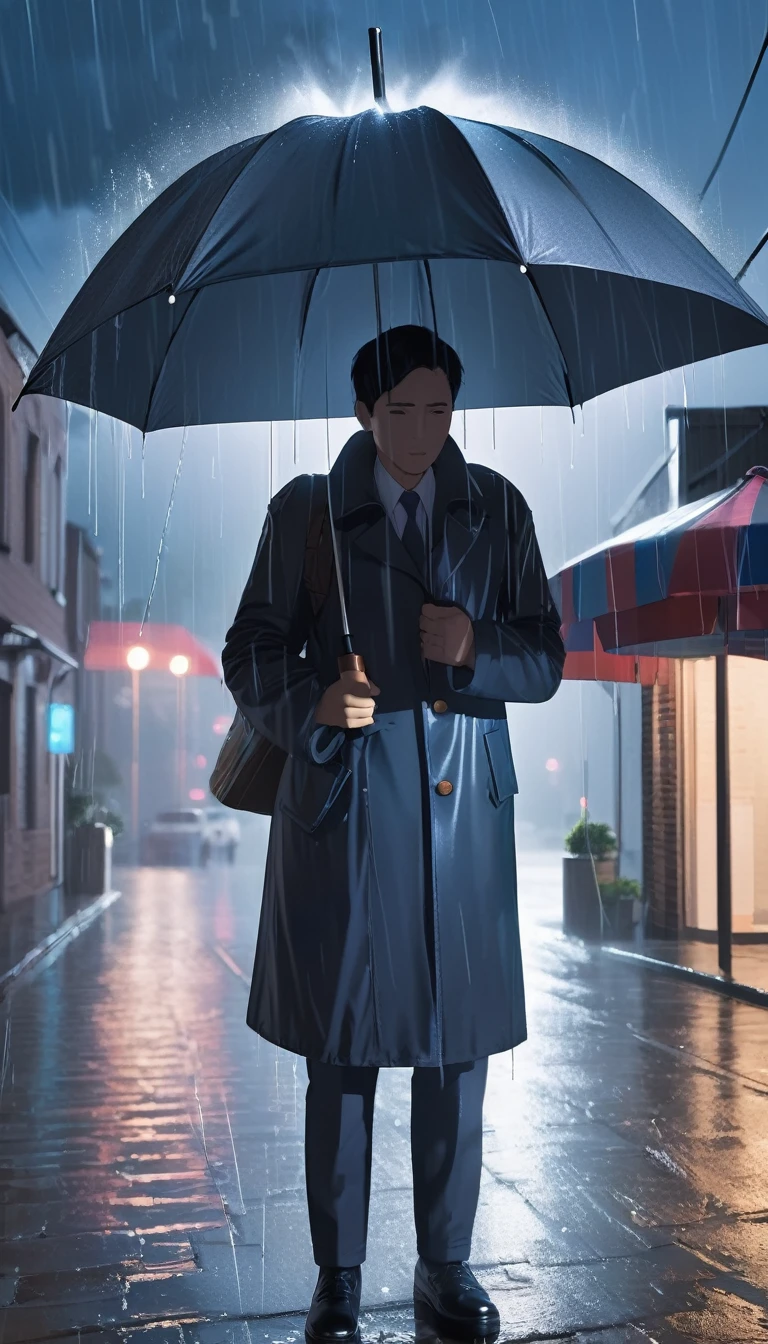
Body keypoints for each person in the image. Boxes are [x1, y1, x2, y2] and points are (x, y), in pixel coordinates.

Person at [222, 324, 564, 1343]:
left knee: (457, 1056)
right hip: (346, 815)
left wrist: (476, 646)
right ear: (366, 412)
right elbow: (249, 649)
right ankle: (338, 1276)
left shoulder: (497, 510)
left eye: (440, 410)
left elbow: (544, 657)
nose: (423, 430)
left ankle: (445, 1266)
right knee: (345, 1054)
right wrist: (314, 699)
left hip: (462, 827)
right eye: (402, 410)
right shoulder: (306, 514)